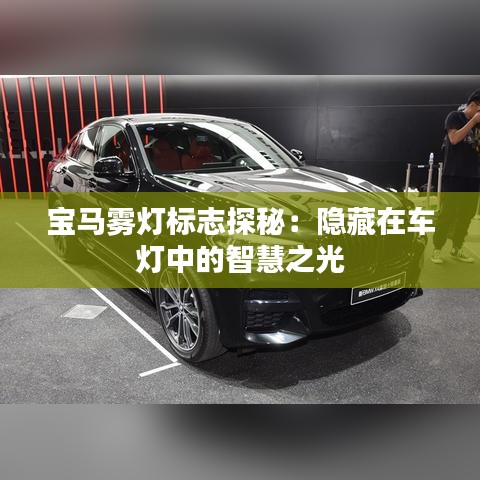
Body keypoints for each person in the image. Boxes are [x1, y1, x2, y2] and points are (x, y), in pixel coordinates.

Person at [431, 89, 480, 264]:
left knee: (467, 214)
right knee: (448, 212)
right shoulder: (455, 117)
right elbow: (454, 139)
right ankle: (437, 248)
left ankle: (457, 248)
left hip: (474, 177)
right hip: (454, 174)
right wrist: (473, 121)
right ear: (473, 105)